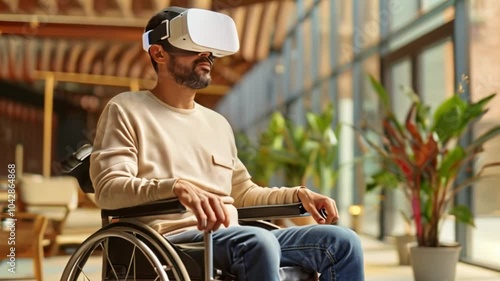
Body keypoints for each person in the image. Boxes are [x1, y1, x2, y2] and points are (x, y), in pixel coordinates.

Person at [90, 6, 365, 281]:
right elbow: (109, 190)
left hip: (231, 238)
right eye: (193, 47)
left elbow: (242, 193)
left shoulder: (217, 124)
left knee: (341, 242)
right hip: (169, 241)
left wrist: (296, 195)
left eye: (209, 50)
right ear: (159, 53)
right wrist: (174, 187)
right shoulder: (126, 110)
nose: (206, 56)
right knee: (259, 241)